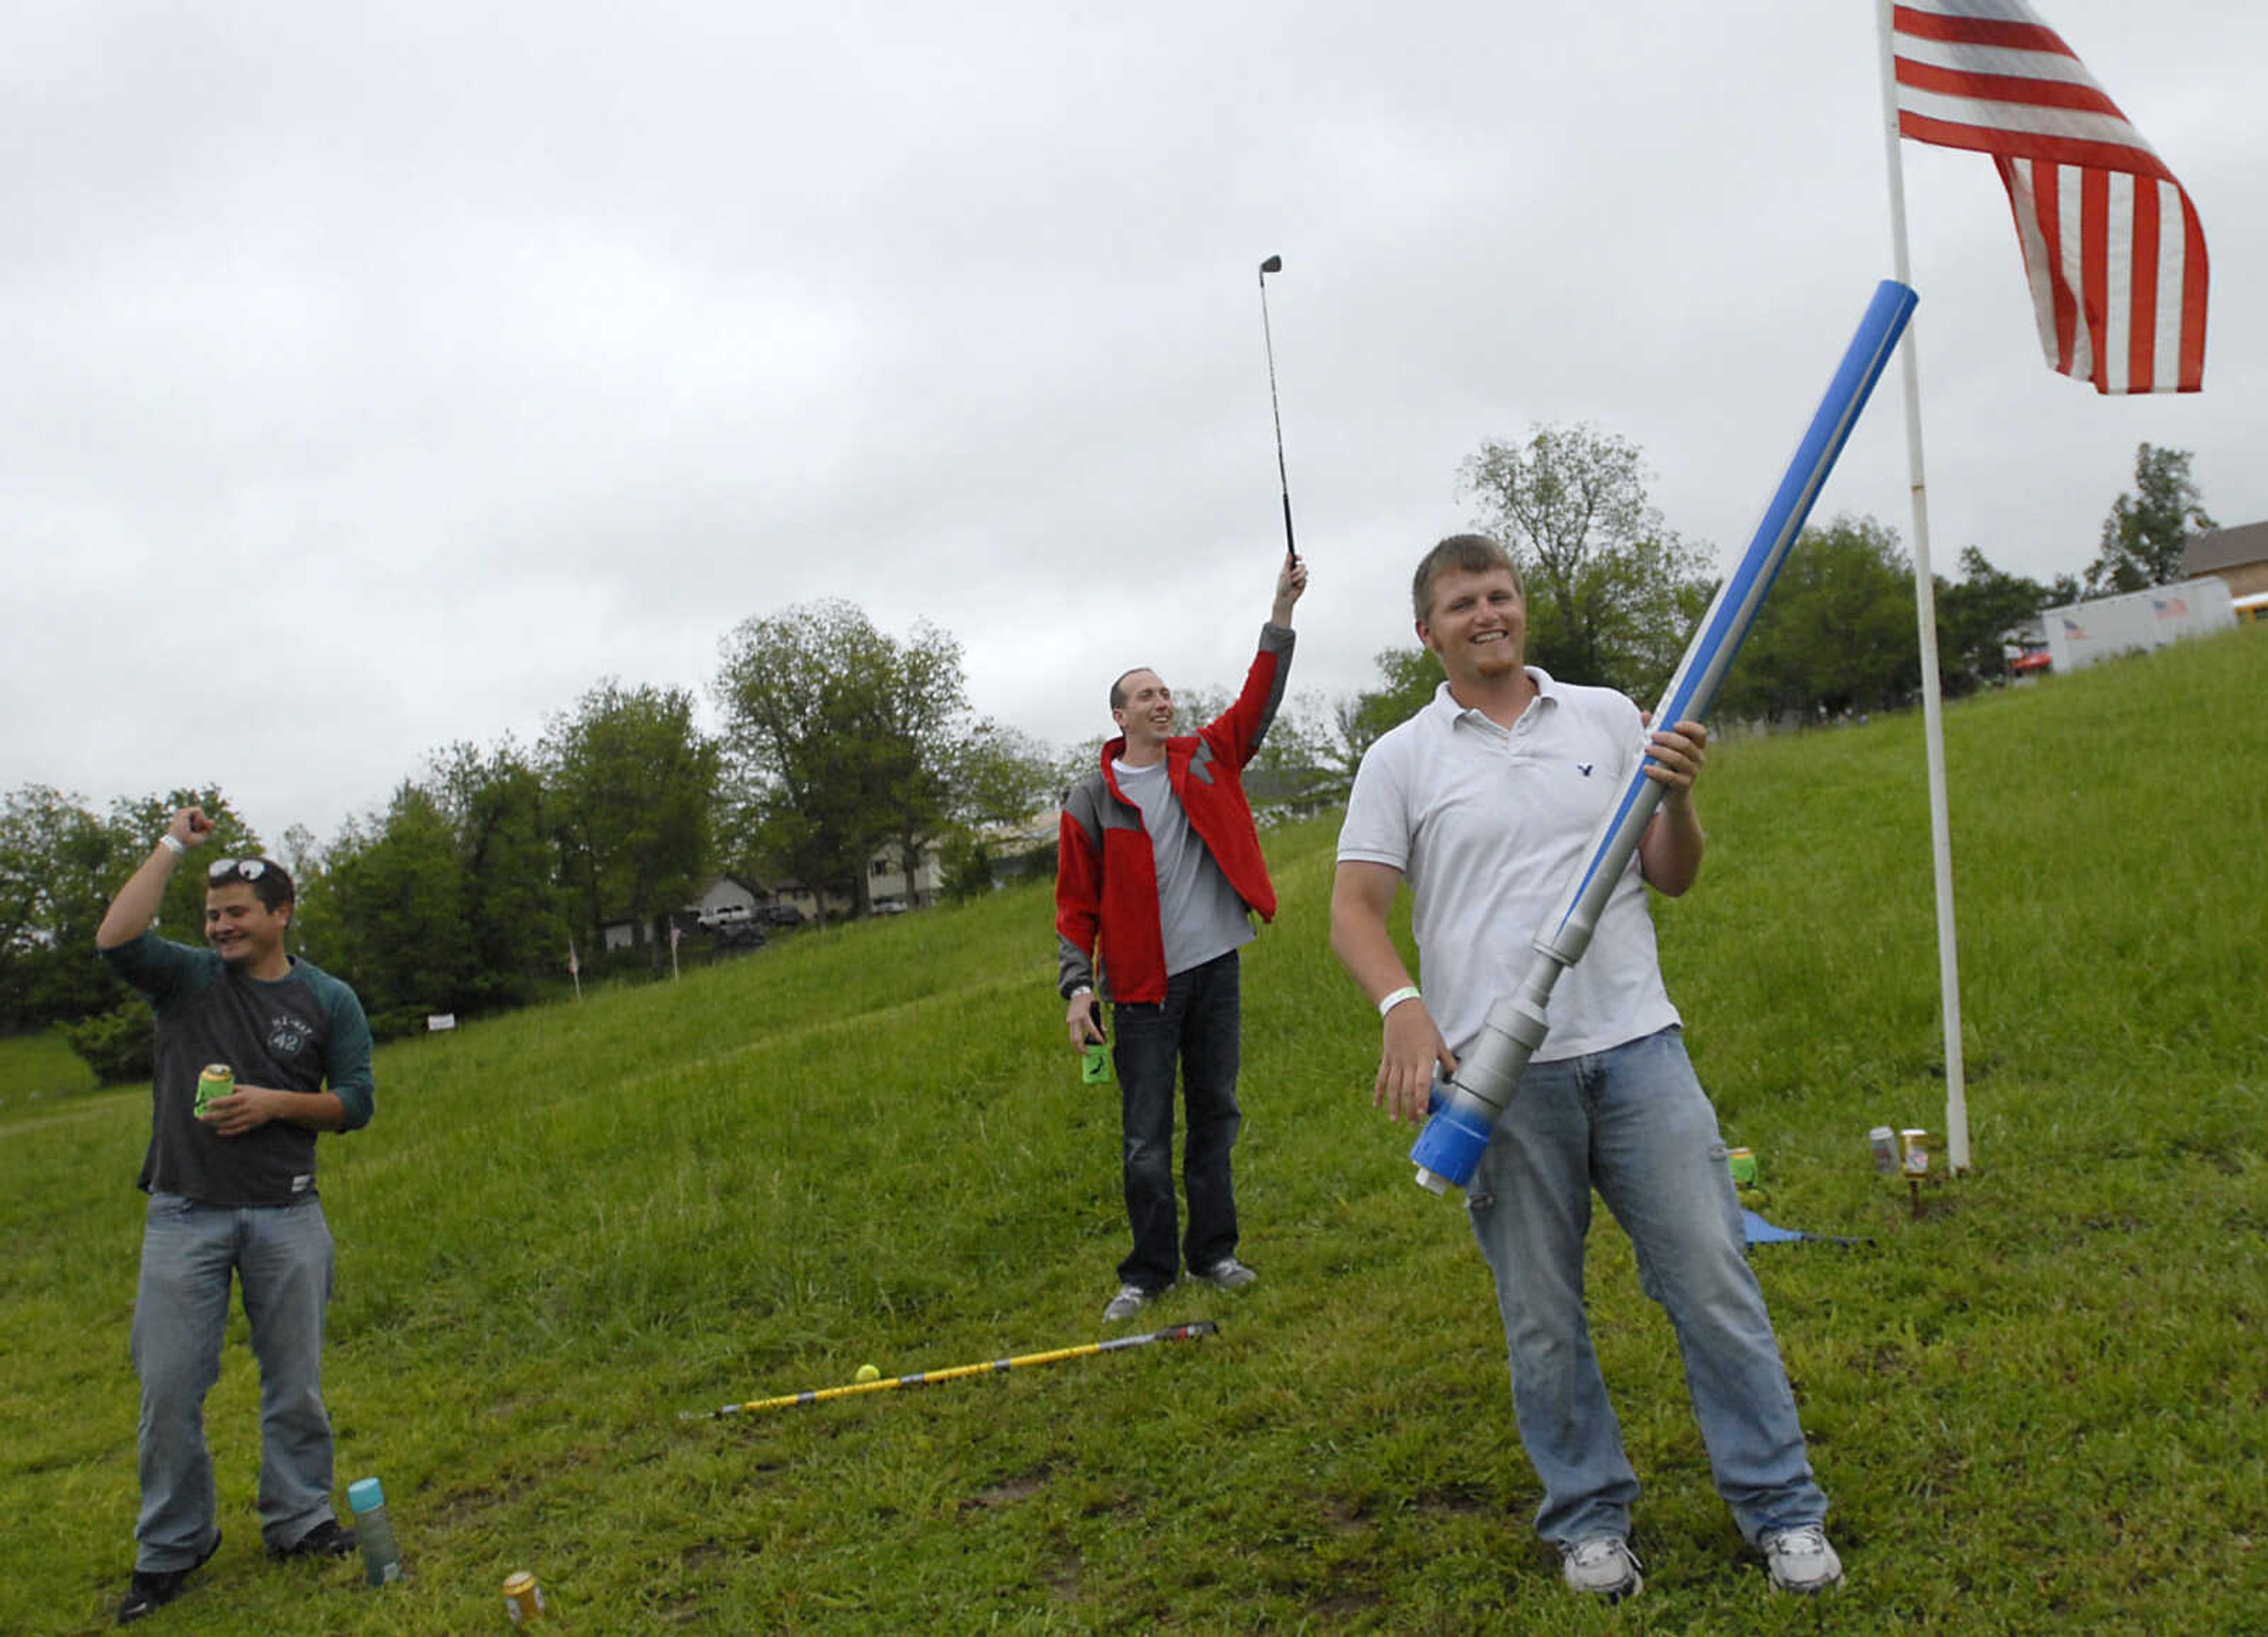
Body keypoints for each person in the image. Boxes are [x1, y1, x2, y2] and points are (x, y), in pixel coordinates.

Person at [1328, 536, 1841, 1600]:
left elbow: (1673, 875)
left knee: (1712, 1280)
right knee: (1543, 1316)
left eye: (1500, 595)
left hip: (1639, 1047)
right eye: (1462, 603)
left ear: (1523, 610)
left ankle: (1781, 1507)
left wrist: (1682, 799)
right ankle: (1588, 1520)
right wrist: (1403, 1006)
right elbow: (1355, 910)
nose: (1487, 615)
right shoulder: (1403, 759)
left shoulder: (1608, 716)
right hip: (1501, 1080)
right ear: (1429, 631)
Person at [94, 808, 377, 1625]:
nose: (219, 925)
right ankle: (174, 1547)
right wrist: (175, 847)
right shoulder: (186, 981)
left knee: (295, 1387)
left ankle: (299, 1520)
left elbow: (355, 1103)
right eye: (212, 914)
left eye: (236, 912)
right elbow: (115, 938)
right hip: (185, 1217)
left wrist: (276, 1104)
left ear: (280, 914)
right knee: (170, 1388)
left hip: (288, 1216)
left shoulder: (329, 998)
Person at [1056, 551, 1308, 1323]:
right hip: (1140, 993)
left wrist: (1281, 611)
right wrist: (1076, 989)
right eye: (1145, 696)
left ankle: (1214, 1254)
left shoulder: (1208, 757)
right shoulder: (1092, 799)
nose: (1162, 703)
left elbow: (1258, 701)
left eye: (1165, 692)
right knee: (1144, 1138)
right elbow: (1075, 907)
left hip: (1214, 973)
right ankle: (1148, 1273)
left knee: (1214, 1116)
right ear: (1120, 717)